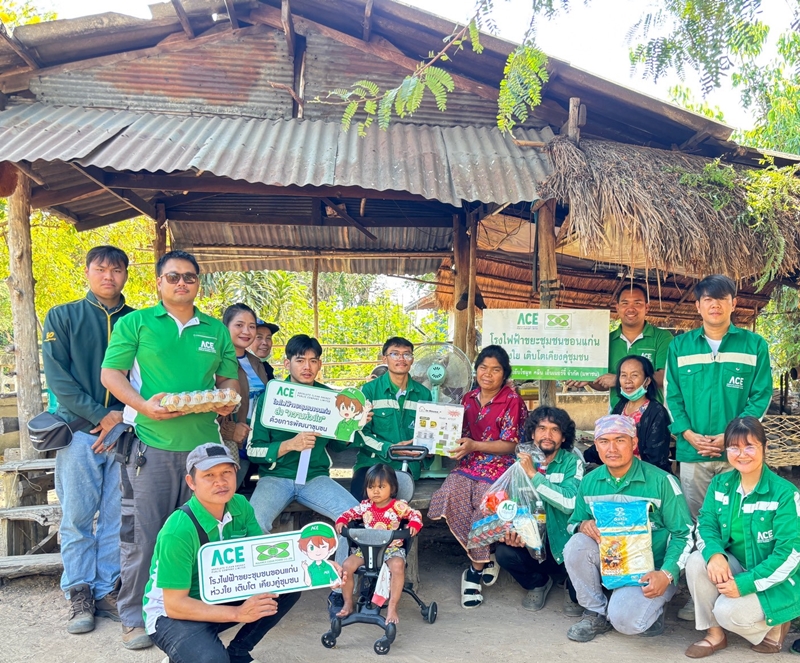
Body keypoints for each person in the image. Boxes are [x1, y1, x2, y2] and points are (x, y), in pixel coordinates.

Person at [101, 250, 240, 650]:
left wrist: (226, 400)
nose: (182, 283)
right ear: (158, 282)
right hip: (152, 448)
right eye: (174, 277)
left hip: (205, 453)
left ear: (198, 283)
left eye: (189, 277)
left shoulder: (215, 329)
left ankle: (192, 613)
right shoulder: (136, 323)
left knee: (202, 535)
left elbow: (228, 380)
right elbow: (111, 374)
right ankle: (134, 617)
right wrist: (143, 406)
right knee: (144, 536)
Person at [41, 246, 134, 634]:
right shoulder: (62, 316)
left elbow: (146, 377)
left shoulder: (138, 321)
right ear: (87, 272)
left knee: (116, 515)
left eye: (117, 269)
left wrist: (122, 419)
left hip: (125, 432)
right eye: (101, 269)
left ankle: (105, 588)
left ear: (126, 274)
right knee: (78, 516)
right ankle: (78, 590)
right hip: (78, 432)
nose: (108, 276)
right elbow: (58, 379)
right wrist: (101, 416)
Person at [143, 443, 299, 663]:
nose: (220, 482)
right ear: (191, 482)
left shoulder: (240, 505)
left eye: (227, 472)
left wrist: (318, 567)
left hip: (220, 593)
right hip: (171, 613)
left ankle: (237, 652)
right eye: (209, 475)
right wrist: (238, 613)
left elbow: (263, 560)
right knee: (212, 660)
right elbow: (175, 604)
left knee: (287, 586)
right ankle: (186, 652)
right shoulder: (178, 530)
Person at [247, 333, 359, 618]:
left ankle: (340, 590)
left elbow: (338, 445)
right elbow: (253, 450)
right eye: (300, 360)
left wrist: (351, 426)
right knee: (252, 523)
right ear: (287, 363)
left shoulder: (332, 399)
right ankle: (263, 591)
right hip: (276, 478)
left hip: (314, 478)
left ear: (320, 364)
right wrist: (289, 445)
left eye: (313, 360)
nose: (307, 366)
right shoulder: (271, 396)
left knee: (354, 518)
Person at [563, 414, 693, 642]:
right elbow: (573, 523)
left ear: (634, 443)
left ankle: (652, 607)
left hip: (651, 571)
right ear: (596, 446)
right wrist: (582, 525)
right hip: (612, 565)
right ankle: (595, 612)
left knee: (627, 622)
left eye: (620, 440)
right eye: (604, 441)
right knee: (577, 545)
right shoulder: (590, 481)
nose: (611, 448)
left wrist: (666, 574)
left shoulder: (662, 482)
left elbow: (684, 533)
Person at [684, 417, 800, 658]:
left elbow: (790, 554)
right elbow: (705, 524)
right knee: (697, 561)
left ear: (764, 448)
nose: (741, 454)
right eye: (734, 447)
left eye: (749, 446)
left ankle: (775, 625)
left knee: (728, 613)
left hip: (775, 578)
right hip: (736, 566)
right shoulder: (720, 484)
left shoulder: (785, 494)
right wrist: (715, 554)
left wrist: (745, 583)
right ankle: (715, 635)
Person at [665, 275, 772, 520]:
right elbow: (672, 396)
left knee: (738, 517)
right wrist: (687, 434)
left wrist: (732, 437)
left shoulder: (754, 345)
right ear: (698, 306)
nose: (715, 305)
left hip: (738, 451)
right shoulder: (680, 346)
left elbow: (762, 395)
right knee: (696, 519)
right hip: (694, 450)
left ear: (733, 303)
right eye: (708, 300)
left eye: (722, 299)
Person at [428, 345, 527, 609]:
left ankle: (474, 570)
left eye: (496, 370)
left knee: (486, 503)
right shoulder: (468, 398)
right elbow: (457, 433)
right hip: (469, 463)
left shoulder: (512, 400)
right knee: (452, 494)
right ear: (476, 370)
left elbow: (511, 444)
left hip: (501, 465)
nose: (488, 374)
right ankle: (486, 555)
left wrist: (474, 445)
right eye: (483, 368)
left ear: (505, 374)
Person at [494, 406, 583, 614]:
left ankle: (569, 582)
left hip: (564, 546)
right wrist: (511, 530)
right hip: (533, 545)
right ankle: (539, 582)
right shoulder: (521, 462)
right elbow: (511, 503)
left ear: (563, 437)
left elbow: (570, 502)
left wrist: (534, 476)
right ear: (533, 434)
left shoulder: (572, 462)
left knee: (579, 581)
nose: (547, 435)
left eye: (555, 430)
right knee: (504, 553)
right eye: (542, 428)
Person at [335, 464, 423, 625]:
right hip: (366, 549)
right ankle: (347, 602)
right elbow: (349, 513)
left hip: (391, 549)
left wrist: (414, 524)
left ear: (392, 488)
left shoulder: (398, 506)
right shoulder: (365, 506)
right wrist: (342, 520)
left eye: (381, 487)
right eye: (371, 487)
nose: (375, 491)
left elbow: (415, 514)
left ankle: (392, 607)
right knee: (347, 565)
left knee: (398, 566)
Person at [566, 283, 673, 409]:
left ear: (647, 307)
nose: (631, 309)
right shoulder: (606, 340)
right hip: (616, 415)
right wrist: (589, 379)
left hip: (652, 415)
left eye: (637, 303)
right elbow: (604, 383)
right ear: (617, 308)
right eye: (625, 303)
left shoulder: (662, 337)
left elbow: (665, 377)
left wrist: (618, 380)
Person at [351, 337, 432, 501]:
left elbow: (429, 432)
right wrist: (389, 448)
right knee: (361, 505)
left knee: (397, 507)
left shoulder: (423, 394)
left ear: (412, 360)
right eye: (395, 354)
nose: (401, 359)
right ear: (384, 359)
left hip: (407, 465)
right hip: (372, 463)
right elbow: (361, 433)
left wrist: (430, 448)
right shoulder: (369, 391)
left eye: (406, 354)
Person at [583, 355, 672, 473]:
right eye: (623, 375)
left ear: (647, 380)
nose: (628, 381)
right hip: (618, 471)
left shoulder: (657, 412)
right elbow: (608, 438)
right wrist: (582, 456)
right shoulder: (621, 406)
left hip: (645, 476)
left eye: (634, 375)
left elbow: (655, 459)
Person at [218, 304, 269, 489]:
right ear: (225, 327)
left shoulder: (255, 362)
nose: (246, 331)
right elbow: (206, 401)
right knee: (224, 491)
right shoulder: (216, 360)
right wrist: (230, 429)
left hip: (252, 439)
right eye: (239, 325)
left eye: (251, 326)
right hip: (230, 441)